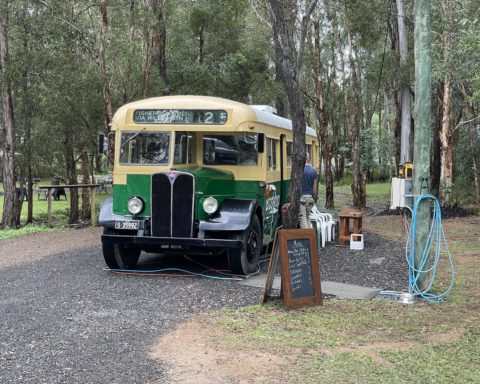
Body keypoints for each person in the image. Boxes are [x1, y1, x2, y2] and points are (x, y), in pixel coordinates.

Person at [299, 153, 318, 229]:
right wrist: (314, 197)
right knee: (308, 217)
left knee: (302, 217)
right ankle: (310, 235)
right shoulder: (314, 171)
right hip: (310, 197)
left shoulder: (300, 170)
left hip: (302, 197)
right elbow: (315, 187)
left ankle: (306, 236)